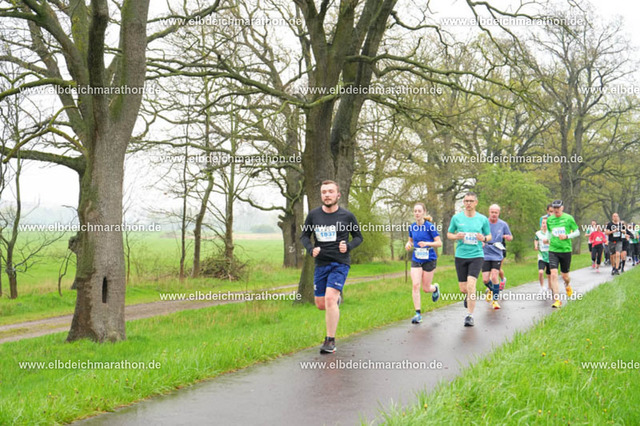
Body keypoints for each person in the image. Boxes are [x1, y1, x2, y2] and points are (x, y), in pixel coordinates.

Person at [300, 180, 363, 354]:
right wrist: (311, 249)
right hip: (321, 263)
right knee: (321, 304)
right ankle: (336, 300)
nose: (327, 195)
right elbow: (304, 236)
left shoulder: (347, 216)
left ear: (338, 195)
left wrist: (348, 246)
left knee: (329, 299)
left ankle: (330, 341)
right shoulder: (313, 215)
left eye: (330, 191)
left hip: (340, 263)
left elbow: (358, 237)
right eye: (324, 192)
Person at [447, 192, 491, 327]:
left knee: (471, 285)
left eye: (471, 201)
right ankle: (468, 296)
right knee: (463, 288)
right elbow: (449, 234)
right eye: (466, 201)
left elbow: (489, 235)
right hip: (461, 255)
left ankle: (469, 316)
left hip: (477, 255)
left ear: (476, 203)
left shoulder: (482, 219)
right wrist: (456, 236)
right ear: (463, 203)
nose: (468, 203)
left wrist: (483, 238)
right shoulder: (456, 218)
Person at [405, 203, 442, 324]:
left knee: (426, 288)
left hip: (429, 259)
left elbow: (439, 243)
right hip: (416, 259)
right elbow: (411, 241)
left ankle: (435, 288)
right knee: (416, 285)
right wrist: (408, 244)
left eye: (419, 211)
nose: (417, 213)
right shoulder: (412, 227)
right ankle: (418, 314)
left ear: (424, 212)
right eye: (415, 211)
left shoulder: (430, 227)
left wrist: (427, 243)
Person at [545, 200, 580, 308]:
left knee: (565, 276)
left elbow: (577, 232)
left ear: (562, 208)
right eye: (554, 208)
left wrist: (567, 236)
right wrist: (547, 238)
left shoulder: (568, 218)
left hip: (565, 250)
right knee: (553, 274)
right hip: (553, 250)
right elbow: (549, 232)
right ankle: (557, 300)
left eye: (558, 208)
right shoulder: (550, 219)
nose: (556, 210)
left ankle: (567, 285)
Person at [481, 204, 513, 310]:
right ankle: (492, 290)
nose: (494, 214)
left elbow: (510, 236)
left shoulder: (503, 224)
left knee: (494, 277)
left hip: (497, 253)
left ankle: (495, 300)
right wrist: (481, 241)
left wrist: (508, 237)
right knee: (485, 279)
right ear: (489, 212)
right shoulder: (484, 223)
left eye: (496, 212)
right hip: (485, 253)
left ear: (499, 213)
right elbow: (478, 234)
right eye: (492, 212)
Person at [534, 217, 552, 293]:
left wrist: (548, 242)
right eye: (543, 223)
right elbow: (536, 239)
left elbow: (554, 242)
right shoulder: (538, 233)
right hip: (541, 255)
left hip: (550, 255)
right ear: (541, 224)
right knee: (541, 272)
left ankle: (550, 288)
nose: (544, 225)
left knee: (549, 274)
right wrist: (536, 245)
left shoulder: (551, 233)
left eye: (546, 223)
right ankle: (542, 287)